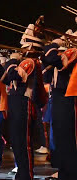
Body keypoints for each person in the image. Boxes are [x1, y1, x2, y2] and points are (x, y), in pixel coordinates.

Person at [2, 24, 47, 180]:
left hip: (24, 105)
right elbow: (7, 78)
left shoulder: (31, 62)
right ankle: (22, 173)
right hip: (16, 105)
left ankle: (27, 175)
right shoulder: (22, 62)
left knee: (24, 143)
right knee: (16, 142)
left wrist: (11, 61)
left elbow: (14, 75)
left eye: (24, 45)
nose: (21, 49)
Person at [42, 35, 77, 179]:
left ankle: (70, 172)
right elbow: (46, 64)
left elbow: (52, 58)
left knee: (67, 138)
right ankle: (64, 171)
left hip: (67, 97)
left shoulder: (72, 52)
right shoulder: (65, 53)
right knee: (59, 137)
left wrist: (53, 45)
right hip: (58, 96)